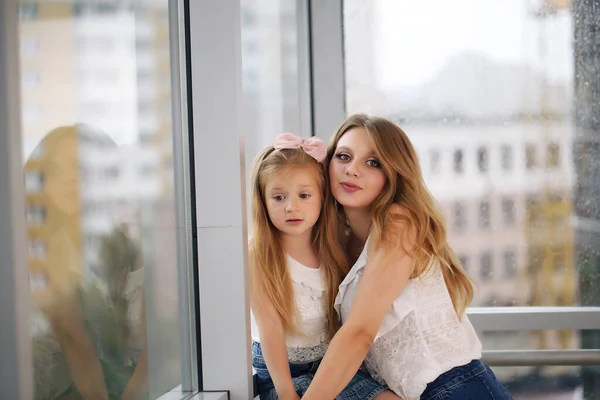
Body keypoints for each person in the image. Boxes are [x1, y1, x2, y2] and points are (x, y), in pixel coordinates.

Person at [302, 115, 512, 400]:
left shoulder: (399, 223)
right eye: (343, 156)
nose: (351, 170)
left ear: (393, 174)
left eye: (372, 162)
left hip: (457, 389)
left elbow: (360, 332)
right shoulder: (344, 241)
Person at [249, 133, 400, 400]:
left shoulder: (335, 246)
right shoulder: (258, 255)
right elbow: (269, 330)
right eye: (279, 197)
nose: (291, 207)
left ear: (322, 197)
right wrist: (286, 394)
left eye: (304, 195)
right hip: (282, 373)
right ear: (263, 202)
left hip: (328, 364)